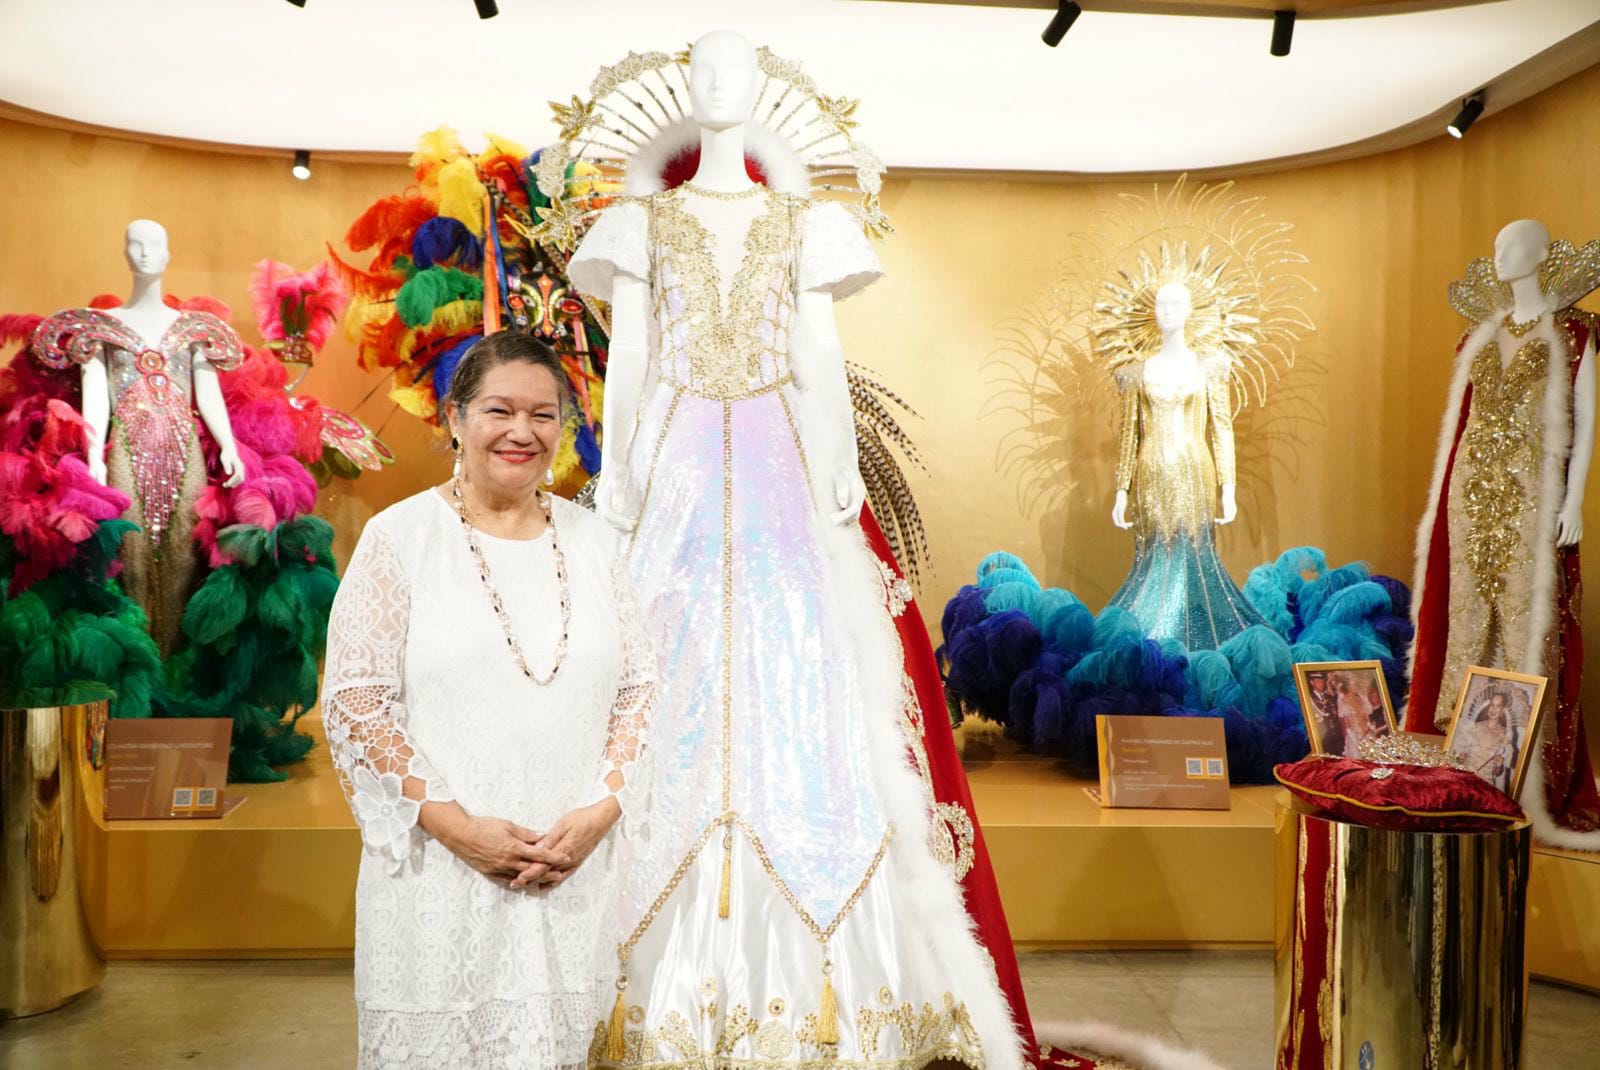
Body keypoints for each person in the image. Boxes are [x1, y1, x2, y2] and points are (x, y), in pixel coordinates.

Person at [568, 29, 1023, 1067]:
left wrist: (836, 457)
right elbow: (628, 346)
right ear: (686, 90)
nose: (715, 85)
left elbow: (820, 347)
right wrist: (623, 464)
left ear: (760, 88)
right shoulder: (638, 222)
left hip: (776, 452)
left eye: (732, 70)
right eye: (700, 71)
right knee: (664, 670)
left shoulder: (803, 221)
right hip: (676, 451)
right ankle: (643, 985)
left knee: (802, 677)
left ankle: (837, 976)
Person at [320, 330, 654, 1069]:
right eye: (499, 410)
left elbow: (641, 690)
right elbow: (356, 703)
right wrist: (459, 828)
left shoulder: (599, 544)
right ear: (455, 418)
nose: (522, 432)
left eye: (545, 415)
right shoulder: (400, 539)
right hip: (438, 877)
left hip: (576, 870)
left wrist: (599, 811)